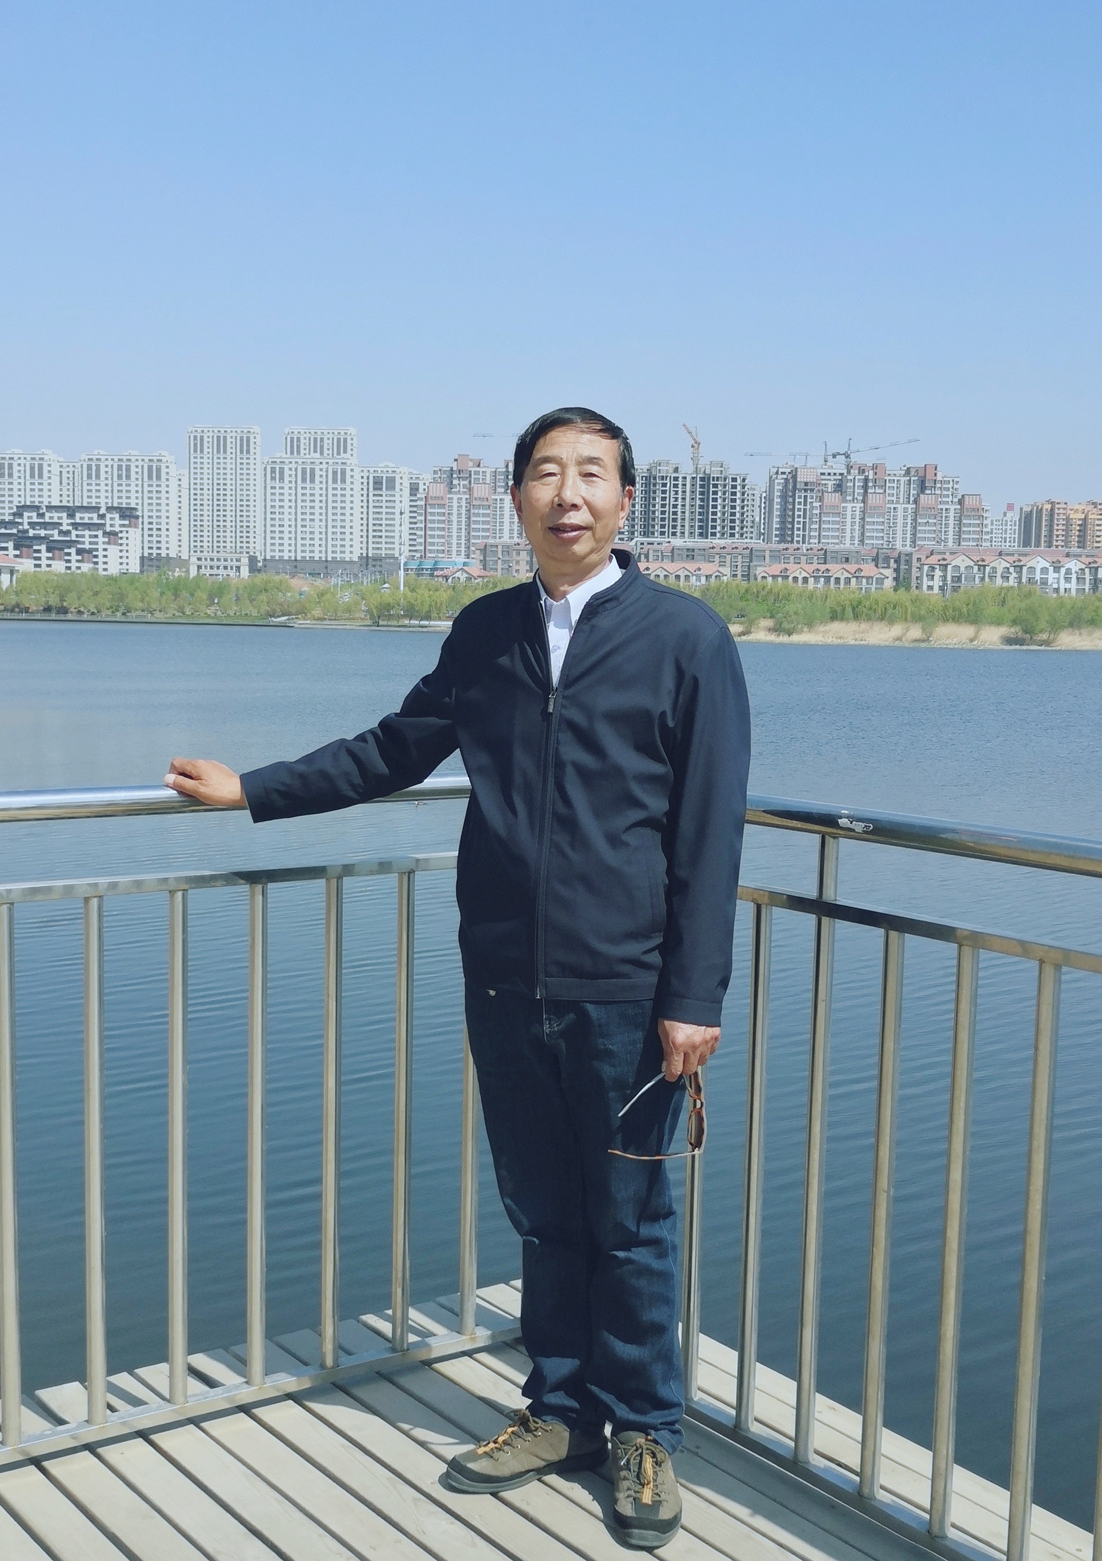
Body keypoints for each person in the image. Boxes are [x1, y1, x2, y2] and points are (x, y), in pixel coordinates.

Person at [165, 407, 750, 1549]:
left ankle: (644, 1430)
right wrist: (255, 789)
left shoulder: (686, 639)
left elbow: (708, 830)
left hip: (629, 988)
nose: (568, 494)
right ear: (517, 499)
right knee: (542, 1209)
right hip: (505, 976)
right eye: (547, 474)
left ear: (626, 501)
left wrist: (695, 995)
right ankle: (562, 1409)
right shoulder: (486, 631)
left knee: (630, 1221)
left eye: (591, 474)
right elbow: (396, 747)